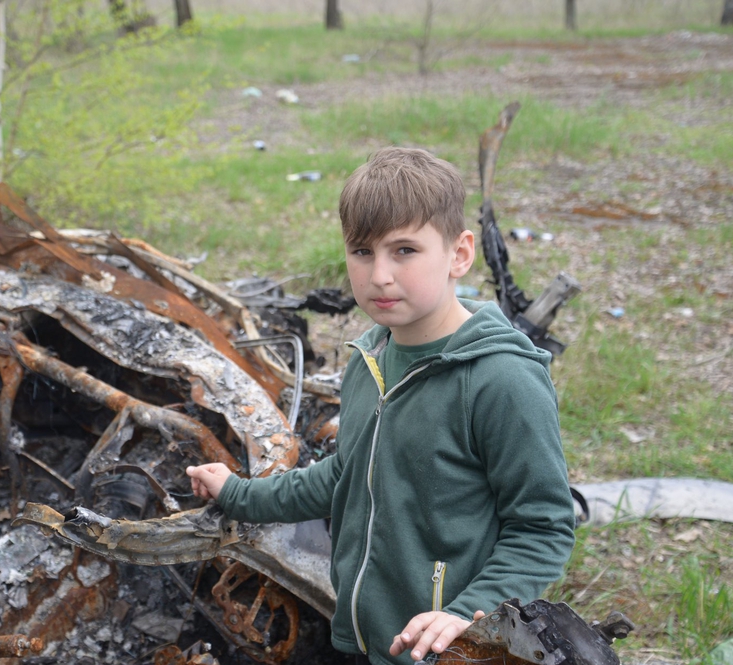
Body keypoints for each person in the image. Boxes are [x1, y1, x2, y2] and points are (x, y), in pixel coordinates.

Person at [187, 147, 576, 665]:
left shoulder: (501, 380)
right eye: (362, 251)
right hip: (360, 634)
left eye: (405, 251)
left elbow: (541, 526)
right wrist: (239, 494)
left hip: (446, 650)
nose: (380, 275)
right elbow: (345, 475)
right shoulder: (370, 357)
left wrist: (468, 614)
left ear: (459, 254)